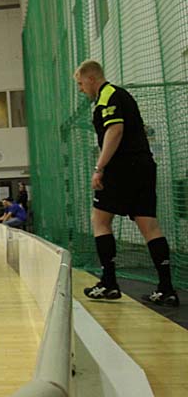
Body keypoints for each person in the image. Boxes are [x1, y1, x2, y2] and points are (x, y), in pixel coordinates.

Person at [74, 60, 179, 306]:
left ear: (91, 79)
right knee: (149, 224)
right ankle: (167, 289)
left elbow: (115, 130)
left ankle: (109, 282)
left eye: (80, 83)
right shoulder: (120, 95)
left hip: (122, 167)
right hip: (143, 166)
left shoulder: (108, 95)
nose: (80, 89)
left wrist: (99, 168)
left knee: (100, 220)